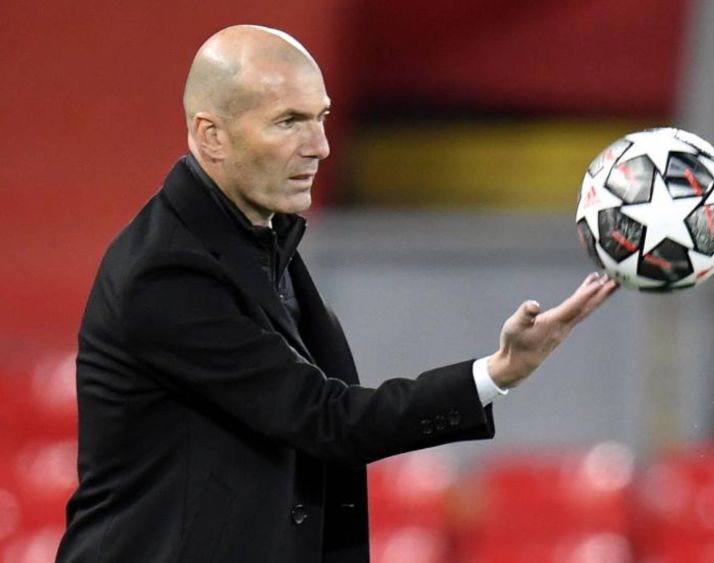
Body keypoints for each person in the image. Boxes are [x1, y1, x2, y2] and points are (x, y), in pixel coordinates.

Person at [54, 24, 616, 563]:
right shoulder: (168, 274)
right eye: (289, 121)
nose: (320, 146)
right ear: (211, 135)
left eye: (320, 116)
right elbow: (328, 420)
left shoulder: (261, 240)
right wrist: (497, 372)